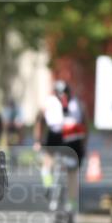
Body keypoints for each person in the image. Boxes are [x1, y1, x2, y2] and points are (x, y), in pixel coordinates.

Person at [33, 80, 88, 214]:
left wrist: (83, 144)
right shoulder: (50, 103)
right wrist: (38, 140)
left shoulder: (78, 104)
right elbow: (39, 121)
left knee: (71, 171)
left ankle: (70, 200)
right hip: (58, 135)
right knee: (50, 163)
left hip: (71, 136)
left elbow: (85, 125)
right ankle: (50, 186)